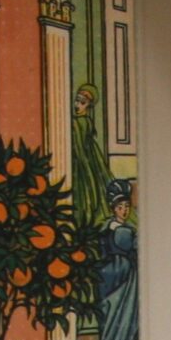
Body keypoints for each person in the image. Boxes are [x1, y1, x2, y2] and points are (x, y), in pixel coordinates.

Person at [85, 178, 140, 340]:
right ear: (113, 208)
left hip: (121, 283)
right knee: (115, 328)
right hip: (115, 284)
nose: (124, 210)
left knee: (123, 327)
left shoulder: (118, 229)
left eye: (126, 206)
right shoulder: (116, 231)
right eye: (120, 207)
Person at [70, 84, 117, 231]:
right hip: (84, 157)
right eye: (77, 101)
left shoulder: (80, 121)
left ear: (88, 106)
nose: (78, 105)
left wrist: (84, 163)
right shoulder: (80, 120)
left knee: (90, 187)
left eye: (82, 102)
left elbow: (79, 145)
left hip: (85, 158)